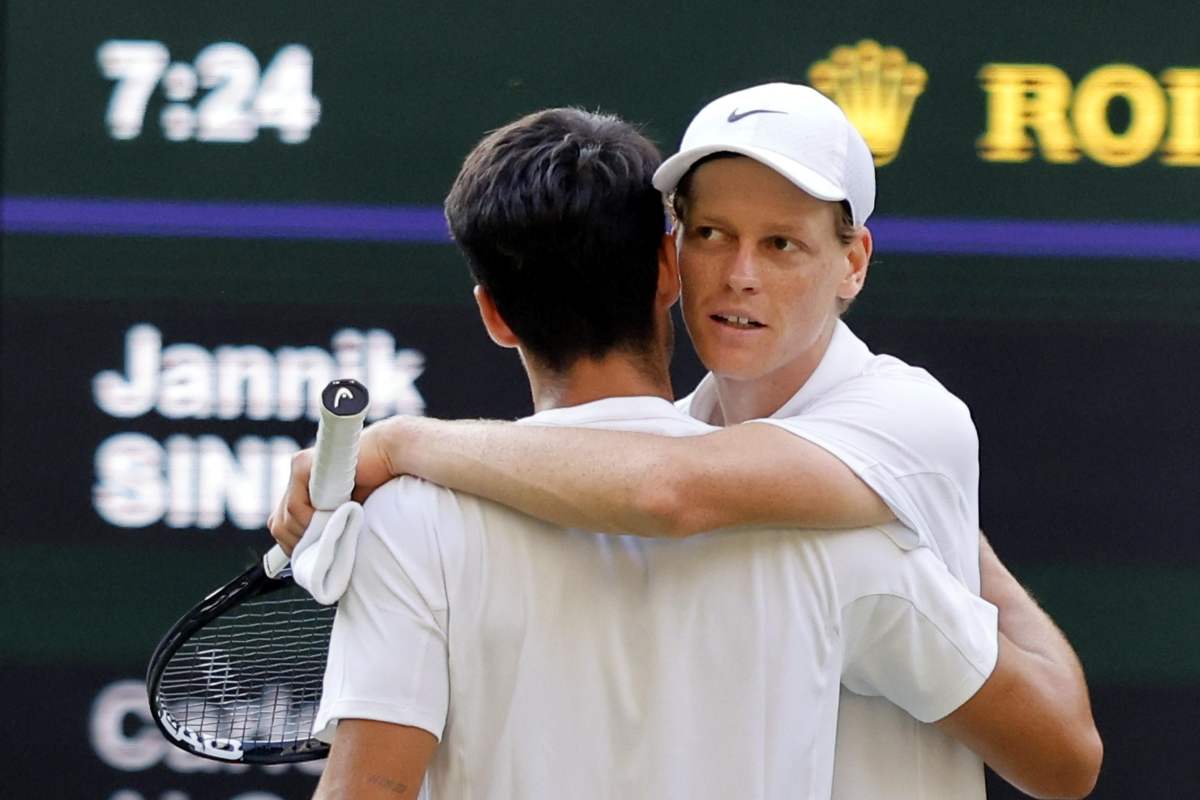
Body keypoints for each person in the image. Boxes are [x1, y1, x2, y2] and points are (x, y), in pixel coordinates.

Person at [276, 96, 1101, 798]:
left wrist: (399, 445)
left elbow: (669, 493)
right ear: (671, 265)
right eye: (711, 233)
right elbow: (660, 478)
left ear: (854, 263)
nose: (739, 273)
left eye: (782, 243)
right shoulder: (829, 522)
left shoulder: (898, 439)